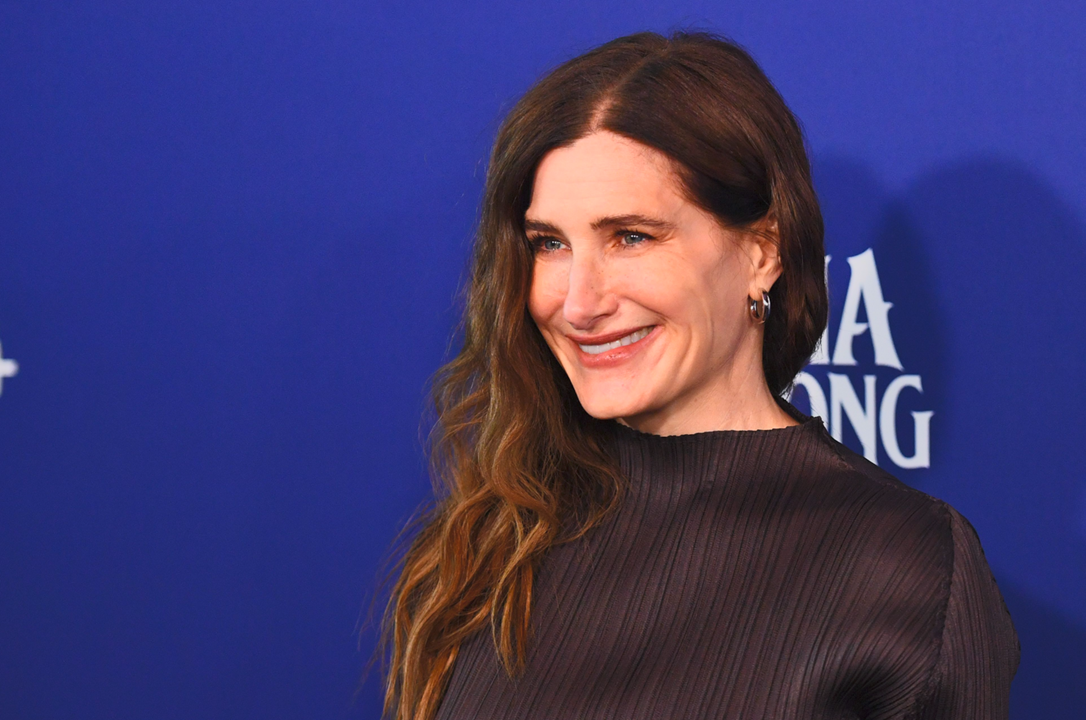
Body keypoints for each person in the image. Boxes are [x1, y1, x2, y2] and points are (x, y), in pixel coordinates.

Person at [382, 31, 1019, 720]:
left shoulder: (904, 566)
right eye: (550, 244)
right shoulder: (497, 533)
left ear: (763, 252)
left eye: (631, 236)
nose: (578, 303)